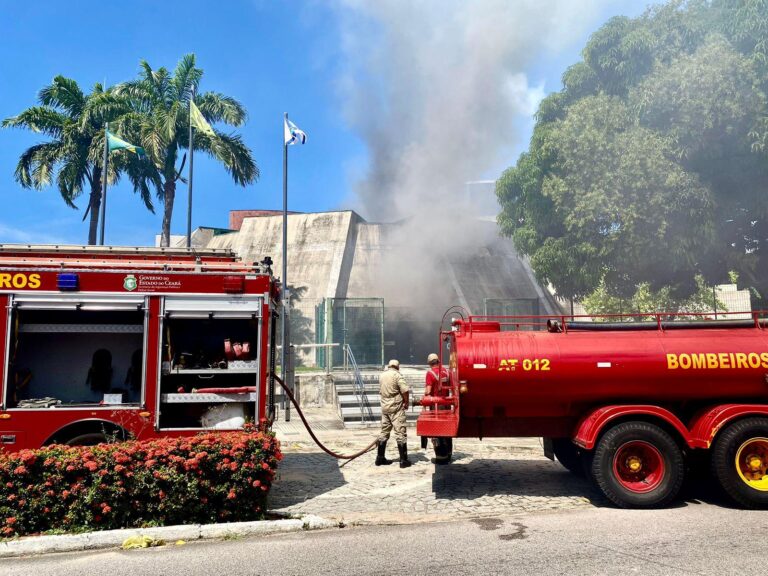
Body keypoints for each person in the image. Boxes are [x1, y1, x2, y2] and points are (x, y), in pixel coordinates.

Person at [376, 359, 412, 468]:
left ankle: (380, 458)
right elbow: (405, 390)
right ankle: (403, 460)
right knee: (400, 433)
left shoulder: (382, 375)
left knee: (384, 432)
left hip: (385, 407)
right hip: (396, 408)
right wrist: (406, 402)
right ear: (397, 367)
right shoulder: (397, 375)